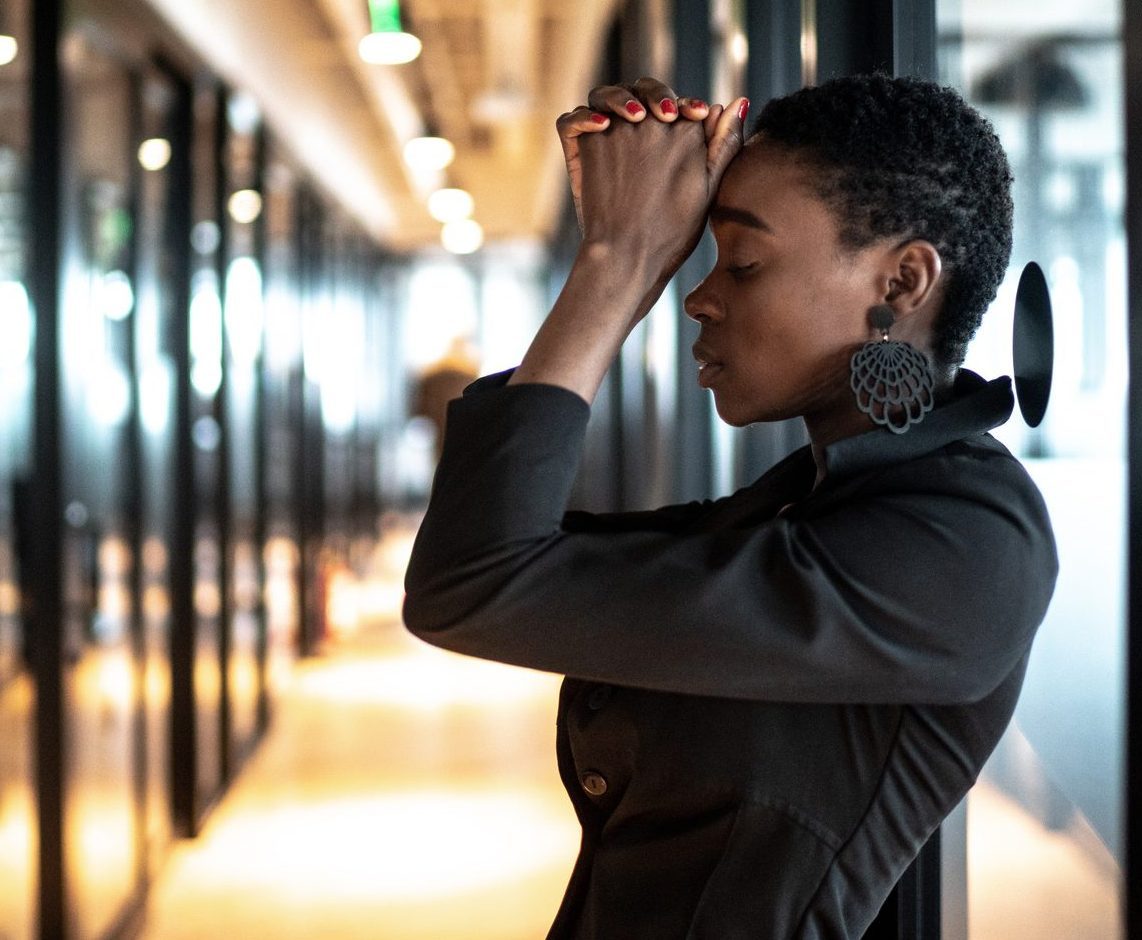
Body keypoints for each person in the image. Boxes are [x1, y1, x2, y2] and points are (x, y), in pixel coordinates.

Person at [403, 73, 1059, 938]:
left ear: (902, 283)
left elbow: (475, 583)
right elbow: (504, 557)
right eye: (701, 260)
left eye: (741, 262)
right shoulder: (804, 501)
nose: (699, 296)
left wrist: (616, 262)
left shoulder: (966, 541)